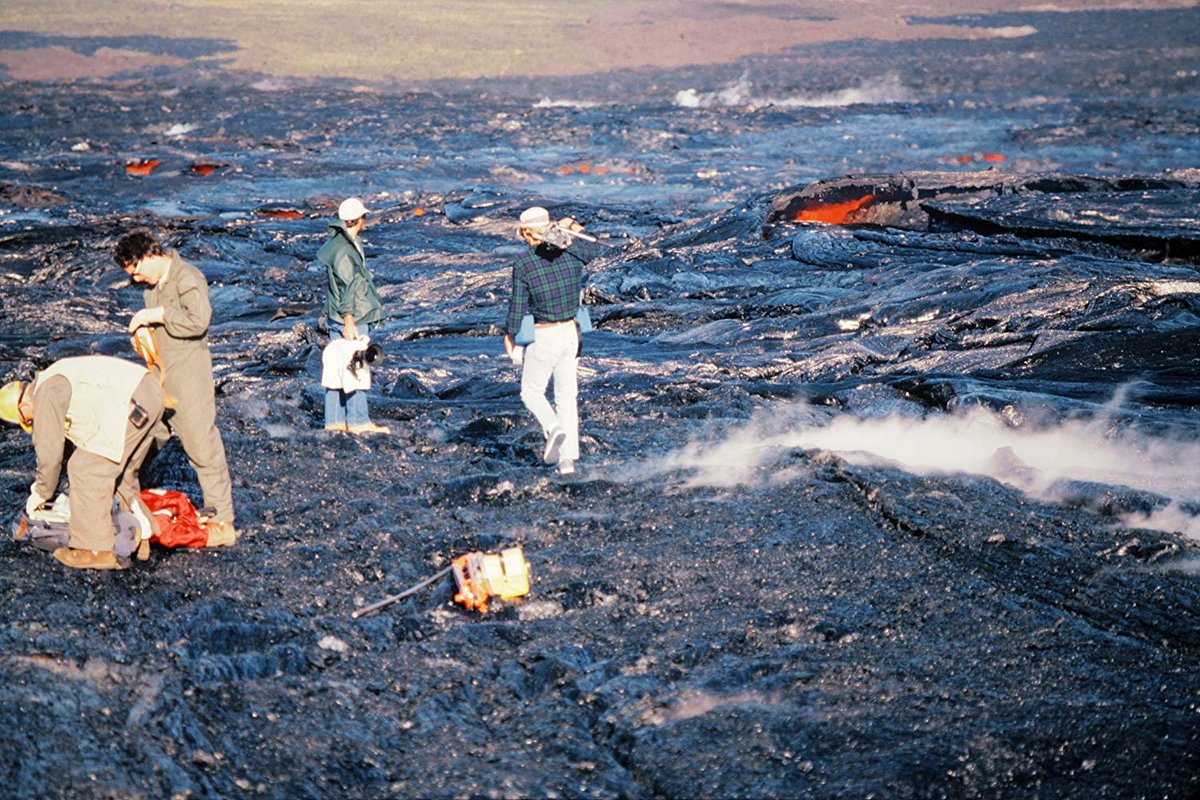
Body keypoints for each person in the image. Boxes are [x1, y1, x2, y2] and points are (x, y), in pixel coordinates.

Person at [113, 230, 238, 543]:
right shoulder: (153, 287)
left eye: (137, 270)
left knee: (201, 447)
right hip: (159, 379)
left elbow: (199, 320)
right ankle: (130, 500)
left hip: (188, 380)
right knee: (142, 439)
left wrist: (157, 314)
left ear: (150, 255)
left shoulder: (187, 277)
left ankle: (223, 520)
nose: (137, 279)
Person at [0, 356, 164, 570]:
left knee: (84, 468)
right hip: (147, 393)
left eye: (28, 420)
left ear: (22, 407)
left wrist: (41, 494)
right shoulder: (54, 376)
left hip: (131, 402)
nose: (31, 422)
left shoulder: (45, 394)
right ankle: (141, 538)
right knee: (122, 475)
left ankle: (96, 550)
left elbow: (50, 455)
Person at [501, 207, 605, 476]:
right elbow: (598, 250)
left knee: (532, 392)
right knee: (567, 397)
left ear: (526, 232)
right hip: (572, 331)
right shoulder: (572, 251)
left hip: (544, 334)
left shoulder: (523, 263)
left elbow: (517, 305)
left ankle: (553, 428)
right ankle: (567, 462)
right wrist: (575, 228)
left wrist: (509, 335)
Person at [318, 197, 389, 435]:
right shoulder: (347, 251)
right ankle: (358, 422)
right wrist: (349, 320)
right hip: (352, 318)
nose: (365, 222)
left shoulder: (338, 244)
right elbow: (348, 287)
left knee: (336, 367)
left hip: (336, 315)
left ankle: (335, 421)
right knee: (356, 367)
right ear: (358, 219)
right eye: (364, 218)